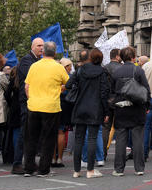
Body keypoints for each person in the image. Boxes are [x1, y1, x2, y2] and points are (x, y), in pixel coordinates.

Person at [22, 41, 68, 177]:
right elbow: (68, 83)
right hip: (51, 106)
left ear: (43, 52)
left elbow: (26, 86)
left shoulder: (34, 66)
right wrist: (60, 89)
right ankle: (43, 169)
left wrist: (31, 98)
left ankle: (29, 168)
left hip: (34, 105)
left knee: (31, 138)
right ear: (55, 53)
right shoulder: (59, 67)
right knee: (48, 139)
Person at [68, 47, 110, 178]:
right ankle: (90, 170)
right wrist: (106, 112)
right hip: (95, 108)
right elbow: (104, 94)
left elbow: (69, 84)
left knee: (79, 139)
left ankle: (76, 170)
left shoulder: (80, 70)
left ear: (90, 58)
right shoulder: (103, 73)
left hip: (80, 107)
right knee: (92, 138)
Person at [110, 46, 149, 176]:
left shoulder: (116, 72)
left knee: (121, 139)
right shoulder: (138, 71)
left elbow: (112, 92)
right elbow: (146, 90)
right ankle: (139, 168)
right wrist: (147, 105)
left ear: (121, 57)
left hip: (121, 108)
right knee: (137, 139)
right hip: (137, 108)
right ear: (133, 57)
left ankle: (119, 169)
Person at [11, 36, 43, 174]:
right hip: (27, 101)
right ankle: (17, 163)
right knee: (24, 133)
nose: (41, 48)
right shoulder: (26, 60)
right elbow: (31, 77)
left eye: (42, 46)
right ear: (32, 47)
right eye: (38, 46)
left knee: (33, 134)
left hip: (36, 100)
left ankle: (29, 162)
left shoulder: (38, 61)